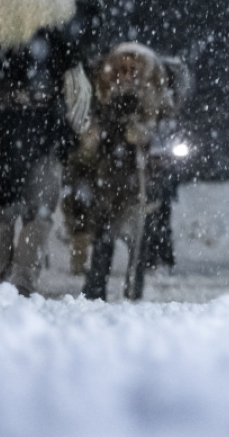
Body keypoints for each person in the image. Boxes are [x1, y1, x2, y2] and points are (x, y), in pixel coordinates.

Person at [0, 0, 103, 296]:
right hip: (41, 124)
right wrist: (79, 123)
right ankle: (22, 284)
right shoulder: (58, 5)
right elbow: (73, 74)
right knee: (39, 211)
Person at [64, 42, 190, 300]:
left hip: (142, 179)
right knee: (104, 235)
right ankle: (95, 291)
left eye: (134, 68)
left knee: (140, 237)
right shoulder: (103, 93)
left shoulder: (157, 95)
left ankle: (133, 290)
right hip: (109, 176)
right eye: (122, 68)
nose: (127, 74)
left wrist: (145, 135)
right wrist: (98, 136)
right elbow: (91, 135)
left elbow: (166, 137)